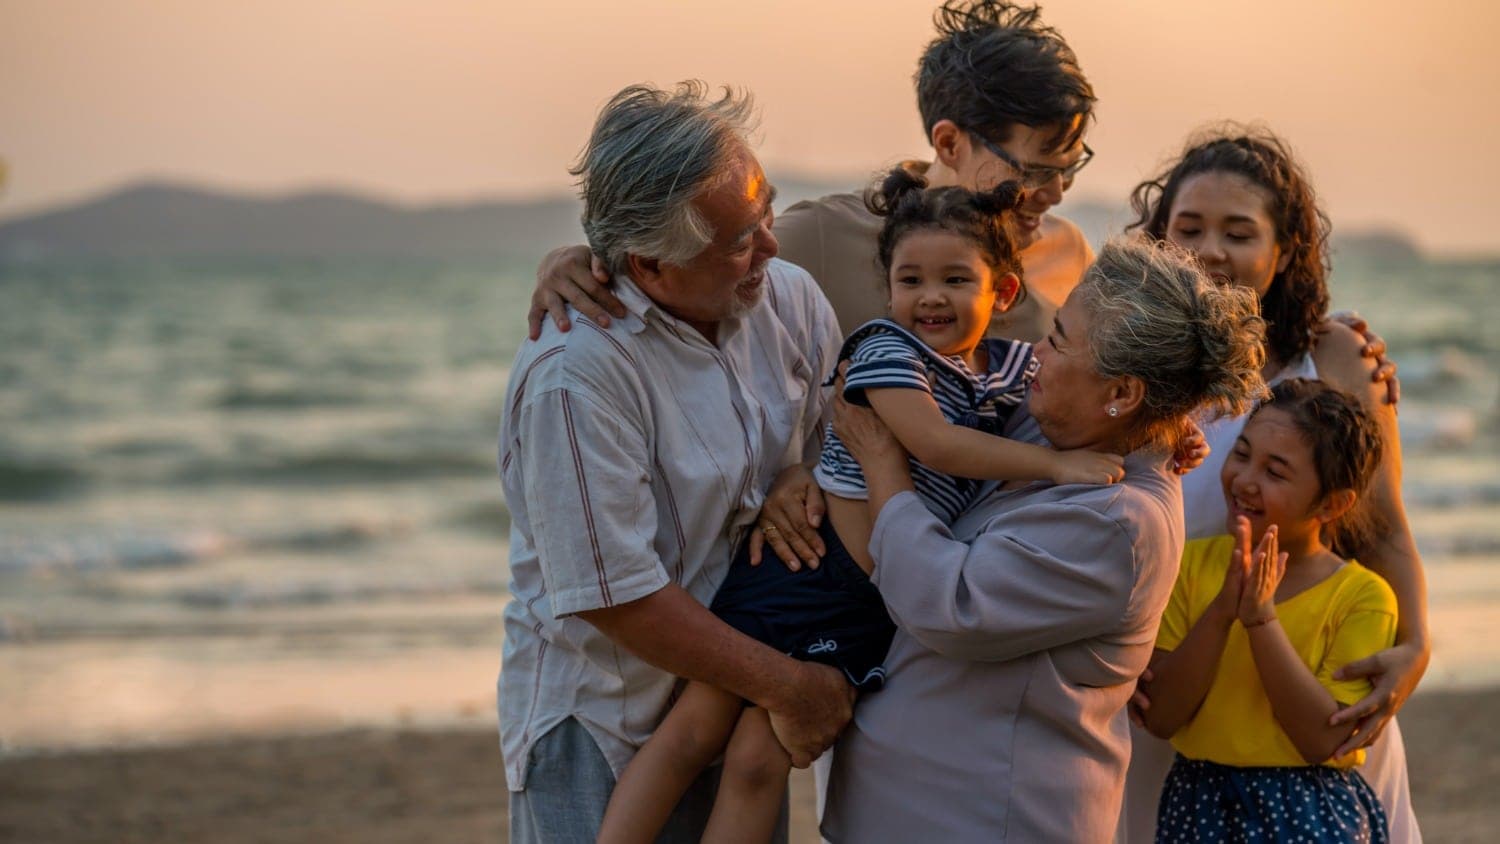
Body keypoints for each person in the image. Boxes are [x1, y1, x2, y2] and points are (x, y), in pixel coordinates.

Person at [595, 170, 1124, 844]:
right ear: (888, 288)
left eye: (956, 280)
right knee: (694, 732)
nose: (930, 297)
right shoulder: (887, 349)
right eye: (910, 280)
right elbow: (935, 441)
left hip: (875, 608)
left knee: (760, 761)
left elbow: (1082, 377)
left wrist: (1171, 431)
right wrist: (1055, 464)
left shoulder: (1008, 367)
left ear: (1005, 291)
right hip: (809, 571)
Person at [496, 81, 852, 843]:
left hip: (739, 697)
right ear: (649, 265)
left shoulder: (788, 300)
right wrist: (791, 689)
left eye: (766, 214)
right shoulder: (577, 373)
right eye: (737, 241)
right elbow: (612, 593)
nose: (771, 248)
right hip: (607, 719)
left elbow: (842, 450)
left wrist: (800, 478)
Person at [819, 237, 1268, 841]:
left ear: (1121, 394)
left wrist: (880, 462)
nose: (1034, 353)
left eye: (1058, 341)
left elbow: (950, 605)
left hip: (987, 818)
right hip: (928, 806)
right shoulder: (1064, 432)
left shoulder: (1117, 522)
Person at [1120, 128, 1429, 843]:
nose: (1211, 250)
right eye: (1188, 227)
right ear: (1159, 238)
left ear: (1284, 249)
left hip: (1309, 696)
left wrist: (1414, 647)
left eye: (1239, 231)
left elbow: (1381, 526)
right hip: (1172, 702)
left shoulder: (1334, 357)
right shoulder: (1128, 364)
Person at [528, 0, 1097, 350]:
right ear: (948, 140)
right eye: (1038, 169)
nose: (1052, 194)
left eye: (1069, 170)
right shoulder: (822, 236)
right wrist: (578, 263)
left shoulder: (1069, 253)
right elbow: (680, 271)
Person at [1144, 379, 1396, 842]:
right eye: (1241, 454)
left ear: (1332, 504)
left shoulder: (1362, 597)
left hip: (1307, 807)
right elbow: (1160, 717)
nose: (1244, 480)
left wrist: (1261, 618)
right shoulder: (1190, 566)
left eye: (1275, 472)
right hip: (1198, 800)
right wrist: (1223, 609)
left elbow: (1322, 739)